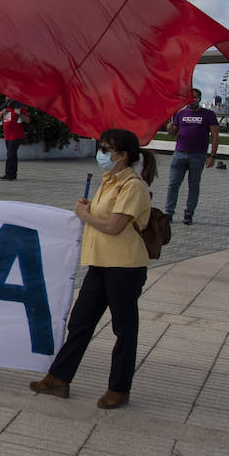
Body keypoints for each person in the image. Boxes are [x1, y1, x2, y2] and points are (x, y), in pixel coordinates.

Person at [31, 128, 157, 410]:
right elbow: (102, 217)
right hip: (100, 264)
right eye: (100, 148)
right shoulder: (109, 181)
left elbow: (114, 226)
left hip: (124, 267)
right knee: (80, 322)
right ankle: (59, 378)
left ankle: (118, 388)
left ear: (123, 156)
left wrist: (85, 215)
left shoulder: (133, 186)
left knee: (123, 328)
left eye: (106, 150)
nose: (101, 154)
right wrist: (88, 208)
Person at [163, 88, 218, 226]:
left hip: (198, 156)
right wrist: (169, 128)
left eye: (195, 97)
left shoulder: (208, 114)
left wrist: (212, 156)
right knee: (173, 184)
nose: (192, 100)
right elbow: (173, 133)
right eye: (189, 97)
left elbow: (215, 136)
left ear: (199, 99)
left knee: (193, 186)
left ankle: (189, 213)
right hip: (179, 154)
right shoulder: (180, 114)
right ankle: (169, 212)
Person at [0, 98, 29, 181]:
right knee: (12, 154)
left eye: (9, 96)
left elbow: (27, 120)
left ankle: (8, 174)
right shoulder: (4, 107)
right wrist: (2, 113)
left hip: (16, 135)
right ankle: (13, 174)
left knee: (10, 153)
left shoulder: (19, 107)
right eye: (6, 96)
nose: (7, 98)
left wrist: (19, 113)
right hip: (7, 135)